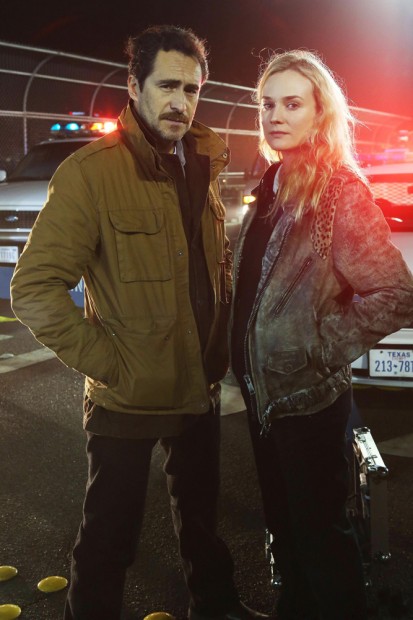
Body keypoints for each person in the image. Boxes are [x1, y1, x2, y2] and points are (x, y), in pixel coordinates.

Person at [10, 25, 269, 620]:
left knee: (202, 524)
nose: (181, 101)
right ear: (134, 87)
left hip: (198, 386)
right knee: (108, 538)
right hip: (127, 397)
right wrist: (114, 364)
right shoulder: (90, 173)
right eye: (166, 86)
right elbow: (33, 289)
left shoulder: (203, 162)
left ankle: (217, 607)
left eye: (192, 89)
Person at [230, 49, 413, 620]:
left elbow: (395, 294)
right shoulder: (273, 183)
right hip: (266, 399)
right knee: (286, 530)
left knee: (322, 539)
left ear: (320, 113)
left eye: (292, 103)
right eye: (267, 104)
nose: (275, 116)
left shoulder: (339, 192)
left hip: (307, 401)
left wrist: (317, 347)